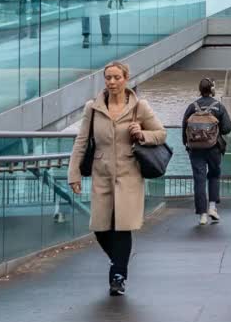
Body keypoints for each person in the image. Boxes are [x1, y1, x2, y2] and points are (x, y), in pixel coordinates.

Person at [68, 59, 167, 296]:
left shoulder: (139, 106)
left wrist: (141, 134)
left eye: (117, 77)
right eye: (108, 78)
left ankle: (118, 276)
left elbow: (161, 134)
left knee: (123, 226)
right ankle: (119, 262)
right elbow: (81, 142)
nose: (112, 82)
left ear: (126, 79)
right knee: (100, 227)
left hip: (129, 174)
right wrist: (74, 173)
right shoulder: (92, 108)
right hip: (101, 173)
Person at [182, 77, 231, 226]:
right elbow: (227, 128)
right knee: (214, 175)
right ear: (212, 90)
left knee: (199, 179)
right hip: (214, 148)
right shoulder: (218, 107)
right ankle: (212, 208)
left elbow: (184, 127)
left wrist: (187, 144)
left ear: (199, 90)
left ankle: (202, 215)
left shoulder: (192, 107)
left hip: (195, 149)